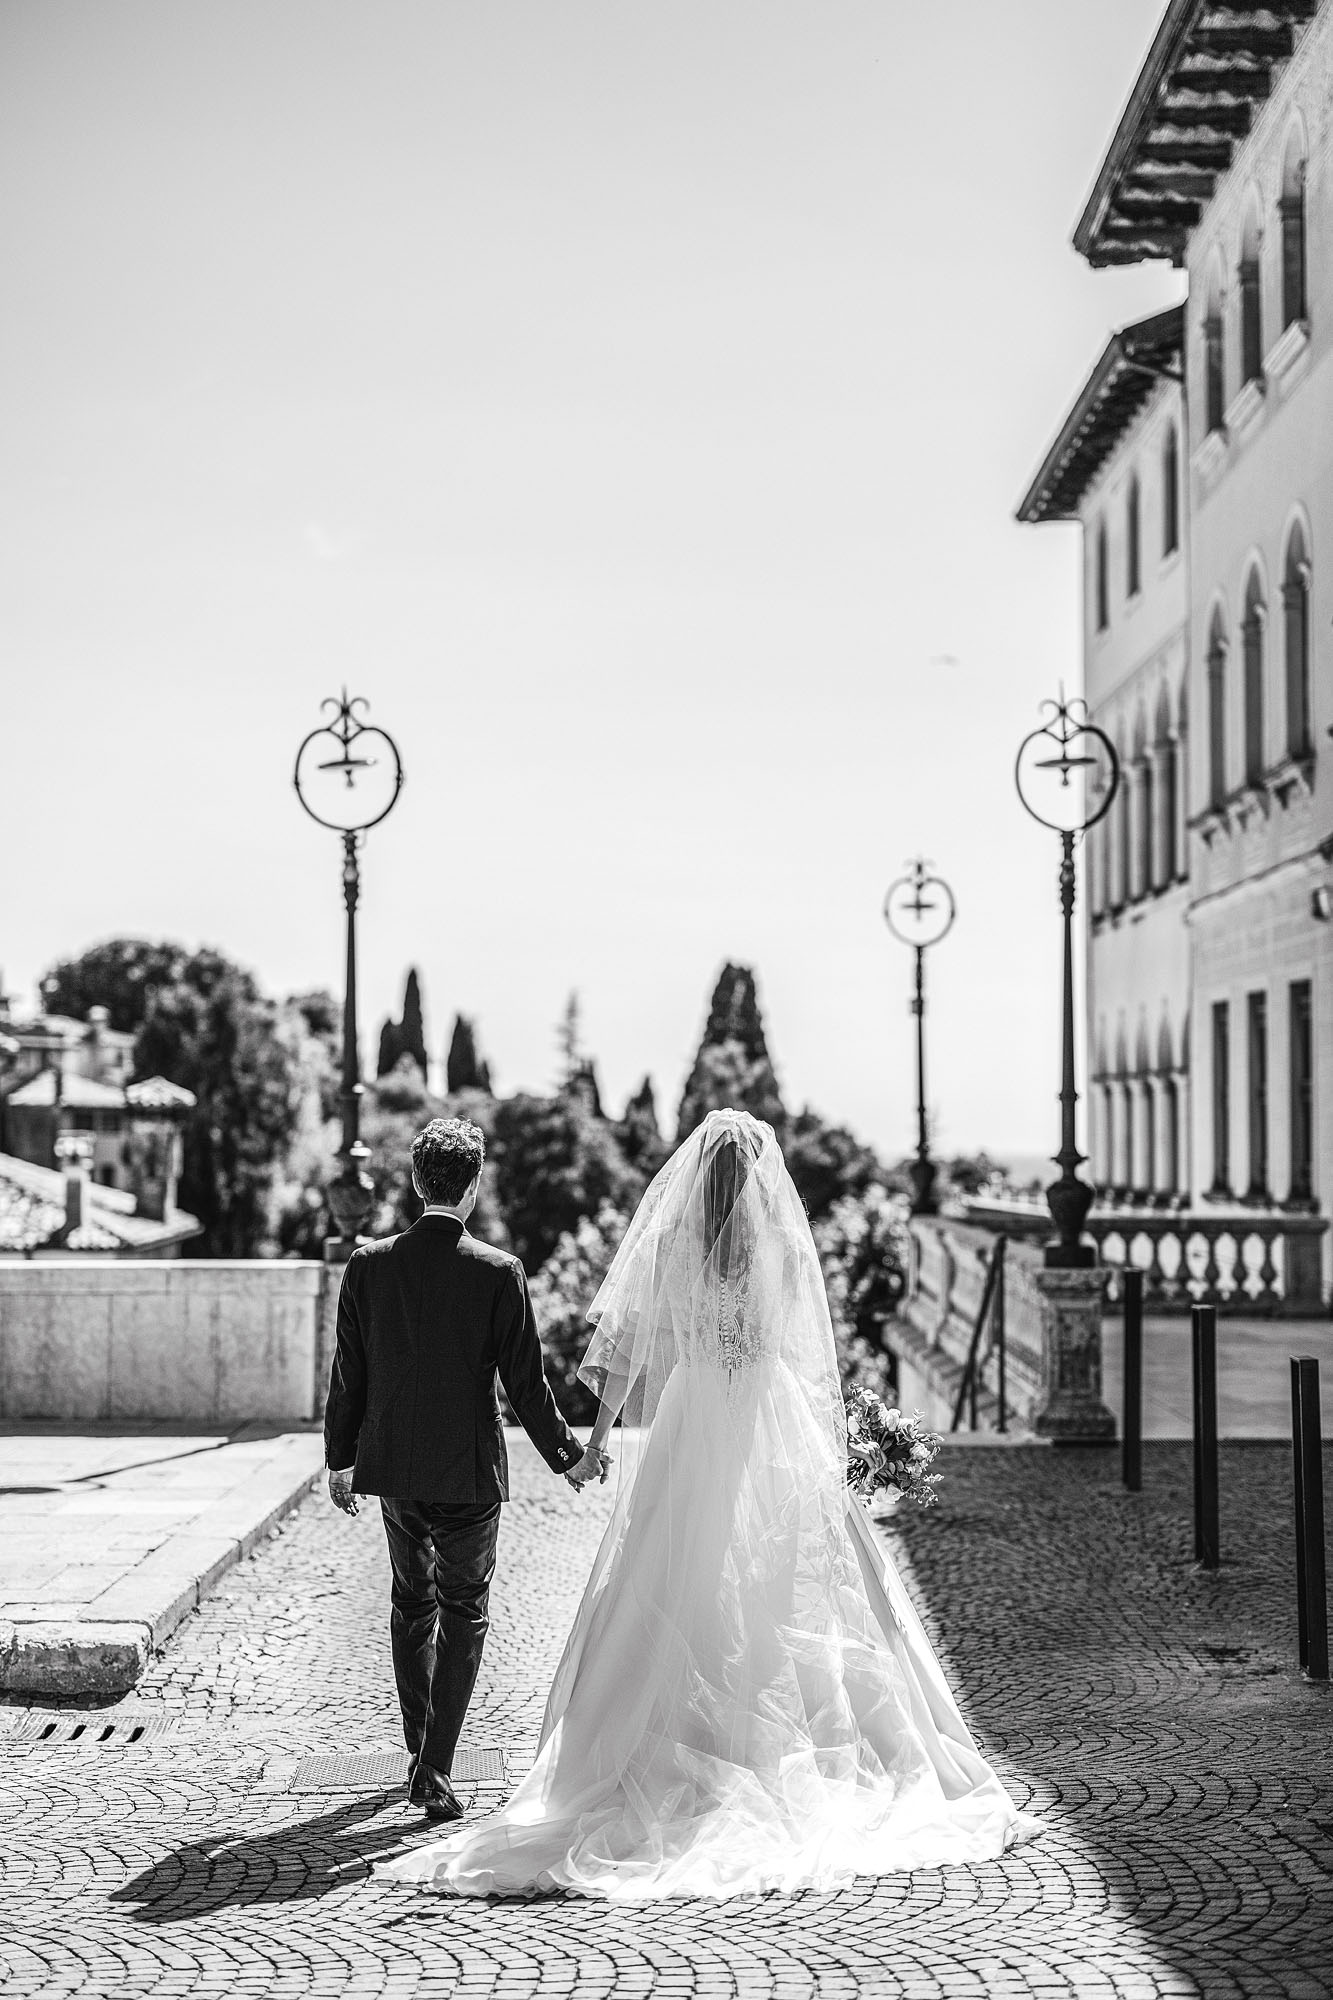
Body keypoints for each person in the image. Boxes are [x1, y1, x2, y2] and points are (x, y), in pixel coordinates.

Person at [380, 1107, 1039, 1899]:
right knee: (791, 1578)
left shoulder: (670, 1243)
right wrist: (835, 1440)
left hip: (690, 1417)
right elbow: (805, 1349)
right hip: (768, 1413)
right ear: (760, 1176)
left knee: (674, 1570)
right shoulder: (780, 1244)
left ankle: (661, 1736)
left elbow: (624, 1351)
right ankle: (788, 1739)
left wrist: (594, 1443)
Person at [324, 1116, 608, 1826]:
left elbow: (348, 1375)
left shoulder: (367, 1265)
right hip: (469, 1472)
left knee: (410, 1603)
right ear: (473, 1186)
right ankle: (435, 1768)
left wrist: (340, 1460)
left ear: (416, 1182)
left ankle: (420, 1753)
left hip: (395, 1470)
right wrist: (569, 1458)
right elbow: (526, 1383)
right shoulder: (498, 1272)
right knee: (464, 1611)